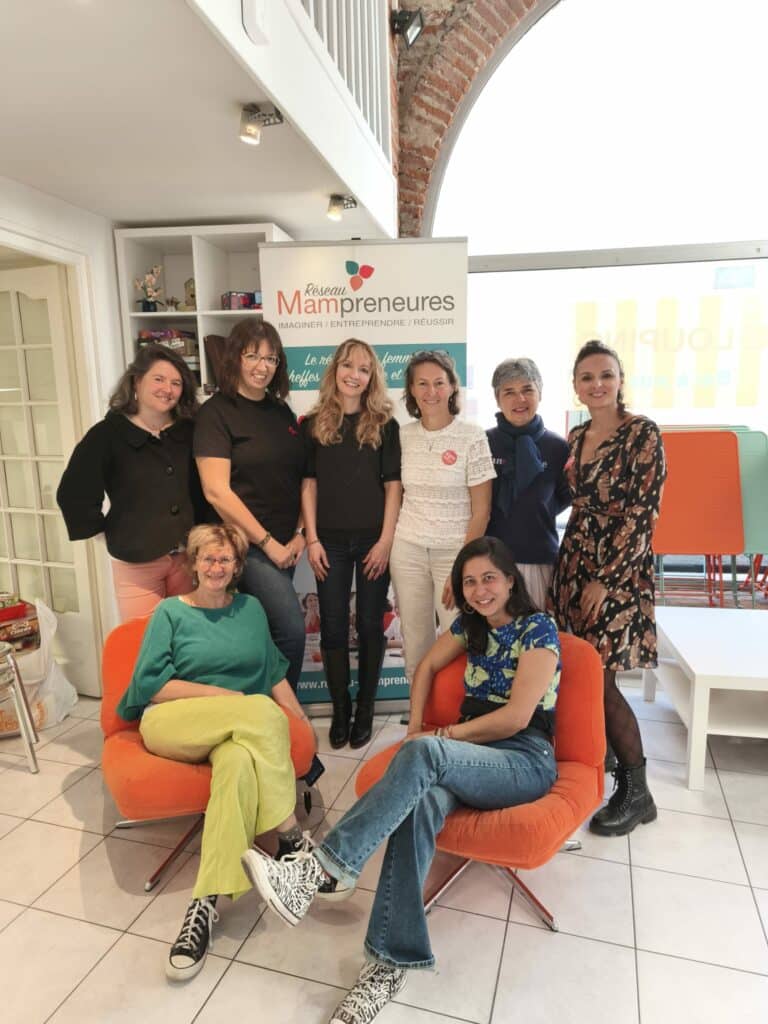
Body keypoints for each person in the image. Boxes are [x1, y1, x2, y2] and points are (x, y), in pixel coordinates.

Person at [241, 536, 559, 1024]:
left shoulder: (538, 629)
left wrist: (438, 737)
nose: (480, 590)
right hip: (469, 757)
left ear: (511, 581)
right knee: (421, 801)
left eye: (489, 579)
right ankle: (390, 964)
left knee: (427, 753)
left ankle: (318, 871)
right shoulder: (469, 626)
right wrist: (414, 728)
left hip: (523, 759)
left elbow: (517, 717)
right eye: (469, 582)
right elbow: (427, 664)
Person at [115, 523, 316, 981]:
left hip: (235, 733)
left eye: (225, 558)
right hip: (174, 721)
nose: (216, 566)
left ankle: (202, 908)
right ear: (193, 563)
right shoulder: (170, 612)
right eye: (208, 557)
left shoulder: (250, 610)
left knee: (239, 764)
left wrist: (300, 722)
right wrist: (225, 699)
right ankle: (291, 841)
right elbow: (152, 685)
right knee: (260, 712)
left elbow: (272, 671)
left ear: (237, 565)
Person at [551, 339, 666, 836]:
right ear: (576, 386)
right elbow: (570, 500)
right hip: (574, 561)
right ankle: (610, 762)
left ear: (620, 381)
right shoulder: (576, 435)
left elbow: (643, 515)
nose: (596, 384)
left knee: (602, 679)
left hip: (616, 571)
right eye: (587, 377)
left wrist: (606, 577)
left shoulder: (642, 434)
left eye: (606, 375)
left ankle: (638, 793)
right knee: (580, 671)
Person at [194, 320, 307, 690]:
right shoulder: (216, 413)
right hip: (246, 545)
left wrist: (300, 533)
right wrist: (268, 543)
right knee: (290, 630)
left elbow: (299, 476)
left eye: (271, 359)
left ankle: (261, 709)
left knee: (268, 635)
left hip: (285, 544)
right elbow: (216, 491)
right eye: (253, 356)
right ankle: (282, 713)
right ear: (235, 358)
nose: (263, 366)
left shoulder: (280, 411)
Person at [57, 344, 207, 621]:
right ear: (137, 381)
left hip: (189, 558)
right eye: (159, 379)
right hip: (138, 562)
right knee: (144, 638)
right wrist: (107, 532)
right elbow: (74, 492)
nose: (168, 389)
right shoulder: (107, 434)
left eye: (176, 383)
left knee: (191, 636)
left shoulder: (191, 430)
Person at [301, 339, 402, 749]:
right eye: (347, 365)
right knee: (333, 626)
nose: (354, 375)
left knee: (371, 625)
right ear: (335, 370)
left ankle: (365, 708)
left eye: (363, 368)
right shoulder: (313, 424)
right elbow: (308, 485)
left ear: (372, 376)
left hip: (374, 542)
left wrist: (385, 541)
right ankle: (340, 709)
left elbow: (393, 487)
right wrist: (311, 539)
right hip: (329, 544)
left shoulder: (385, 424)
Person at [390, 350, 495, 687]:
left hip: (454, 552)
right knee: (415, 639)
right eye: (421, 383)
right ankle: (418, 710)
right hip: (408, 550)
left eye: (439, 382)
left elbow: (482, 511)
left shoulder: (472, 436)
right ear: (411, 390)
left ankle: (455, 711)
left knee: (457, 638)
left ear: (452, 387)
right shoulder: (402, 435)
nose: (431, 391)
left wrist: (461, 566)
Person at [486, 357, 571, 610]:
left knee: (537, 630)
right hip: (491, 561)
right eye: (509, 392)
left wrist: (537, 510)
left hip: (540, 559)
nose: (519, 399)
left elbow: (564, 497)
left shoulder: (558, 447)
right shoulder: (482, 442)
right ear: (497, 399)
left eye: (527, 390)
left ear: (540, 393)